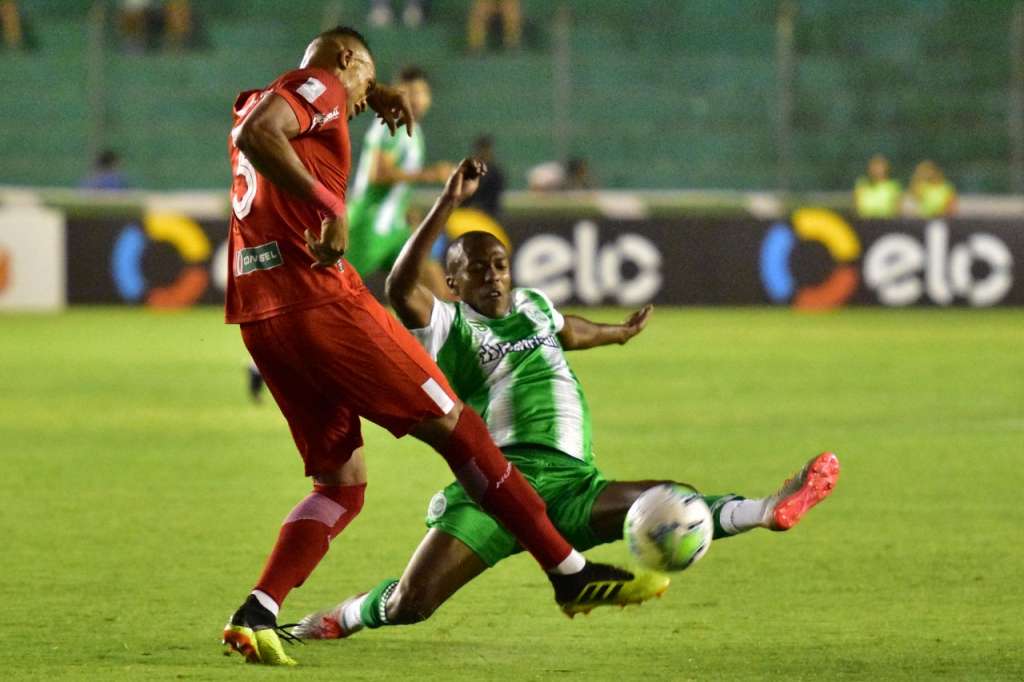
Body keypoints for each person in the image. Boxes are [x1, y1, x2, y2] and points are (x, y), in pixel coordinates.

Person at [221, 26, 666, 666]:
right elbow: (265, 129)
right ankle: (570, 575)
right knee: (460, 427)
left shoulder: (286, 93)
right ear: (346, 62)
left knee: (340, 485)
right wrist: (328, 202)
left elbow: (281, 112)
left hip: (261, 312)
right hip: (322, 300)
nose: (358, 102)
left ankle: (256, 611)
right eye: (362, 82)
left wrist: (373, 92)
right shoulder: (313, 87)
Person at [291, 158, 842, 641]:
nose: (493, 276)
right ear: (452, 283)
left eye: (500, 265)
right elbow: (399, 287)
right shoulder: (446, 323)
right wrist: (446, 202)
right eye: (476, 269)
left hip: (575, 482)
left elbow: (566, 330)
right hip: (496, 484)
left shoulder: (532, 305)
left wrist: (617, 333)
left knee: (677, 500)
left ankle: (768, 511)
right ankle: (344, 617)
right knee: (413, 603)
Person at [345, 65, 453, 288]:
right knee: (331, 290)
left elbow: (399, 185)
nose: (416, 99)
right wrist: (430, 174)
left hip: (395, 229)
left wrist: (407, 211)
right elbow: (378, 174)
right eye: (409, 92)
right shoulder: (390, 123)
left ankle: (451, 323)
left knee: (433, 284)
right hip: (369, 225)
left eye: (421, 92)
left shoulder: (415, 132)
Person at [463, 134, 504, 217]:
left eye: (485, 150)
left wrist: (481, 208)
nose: (483, 154)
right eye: (480, 150)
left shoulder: (495, 173)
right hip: (466, 215)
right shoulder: (467, 171)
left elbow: (494, 198)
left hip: (488, 215)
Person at [854, 154, 901, 218]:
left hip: (886, 222)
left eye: (879, 167)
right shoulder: (862, 184)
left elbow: (897, 209)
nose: (876, 170)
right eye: (874, 167)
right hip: (864, 222)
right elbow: (857, 206)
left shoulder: (893, 186)